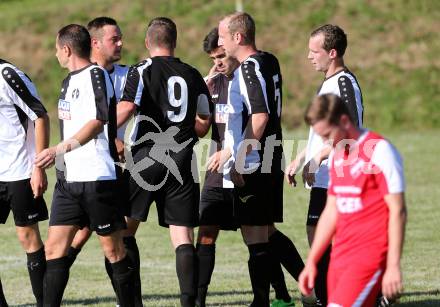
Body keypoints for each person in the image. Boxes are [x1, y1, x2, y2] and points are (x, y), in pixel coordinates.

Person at [34, 24, 134, 306]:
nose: (55, 55)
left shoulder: (96, 75)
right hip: (69, 182)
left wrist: (60, 148)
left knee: (113, 252)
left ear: (66, 49)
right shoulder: (67, 82)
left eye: (56, 49)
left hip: (98, 177)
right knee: (54, 250)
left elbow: (98, 121)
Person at [116, 17, 211, 307]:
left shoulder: (142, 69)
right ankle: (188, 303)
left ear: (148, 43)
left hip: (147, 157)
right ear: (174, 42)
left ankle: (132, 301)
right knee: (182, 235)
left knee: (124, 230)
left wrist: (104, 131)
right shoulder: (192, 74)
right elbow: (204, 121)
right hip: (182, 157)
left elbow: (128, 107)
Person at [218, 12, 307, 307]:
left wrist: (241, 160)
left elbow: (260, 115)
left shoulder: (248, 68)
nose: (220, 42)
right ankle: (313, 285)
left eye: (223, 36)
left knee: (255, 236)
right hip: (272, 154)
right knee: (266, 231)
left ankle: (261, 302)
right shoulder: (269, 60)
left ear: (238, 37)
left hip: (256, 160)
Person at [63, 16, 143, 307]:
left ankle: (132, 300)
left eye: (121, 38)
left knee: (119, 238)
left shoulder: (128, 74)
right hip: (87, 170)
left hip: (119, 169)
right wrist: (110, 138)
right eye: (114, 39)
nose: (121, 43)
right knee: (81, 237)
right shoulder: (80, 77)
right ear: (94, 43)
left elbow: (133, 106)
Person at [298, 94, 407, 307]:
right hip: (340, 257)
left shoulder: (380, 151)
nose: (325, 142)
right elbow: (331, 212)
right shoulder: (338, 155)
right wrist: (312, 262)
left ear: (345, 121)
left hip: (370, 256)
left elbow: (398, 211)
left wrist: (393, 265)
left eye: (327, 134)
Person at [285, 24, 363, 306]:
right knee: (317, 235)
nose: (308, 56)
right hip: (324, 177)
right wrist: (302, 157)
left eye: (313, 51)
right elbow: (322, 132)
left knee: (329, 239)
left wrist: (319, 157)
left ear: (332, 53)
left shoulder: (344, 83)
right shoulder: (327, 83)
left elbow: (351, 134)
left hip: (340, 176)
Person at [195, 27, 240, 307]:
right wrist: (195, 102)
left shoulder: (247, 81)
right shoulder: (213, 84)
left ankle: (285, 293)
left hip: (246, 168)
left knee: (262, 235)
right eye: (214, 58)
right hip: (215, 171)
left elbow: (259, 123)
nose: (219, 62)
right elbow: (202, 129)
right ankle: (198, 300)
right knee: (206, 232)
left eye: (222, 56)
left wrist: (232, 150)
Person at [0, 58, 50, 307]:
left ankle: (44, 301)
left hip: (20, 171)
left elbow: (40, 116)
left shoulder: (8, 74)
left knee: (28, 238)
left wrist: (38, 167)